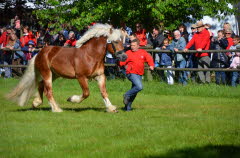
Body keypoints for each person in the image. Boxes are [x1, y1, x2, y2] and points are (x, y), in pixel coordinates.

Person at [118, 39, 154, 111]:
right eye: (131, 45)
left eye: (134, 45)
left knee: (134, 91)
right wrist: (121, 63)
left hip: (139, 73)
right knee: (139, 87)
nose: (132, 47)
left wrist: (151, 65)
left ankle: (127, 108)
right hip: (131, 73)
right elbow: (121, 62)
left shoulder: (143, 52)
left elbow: (149, 58)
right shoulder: (128, 53)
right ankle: (126, 95)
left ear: (138, 46)